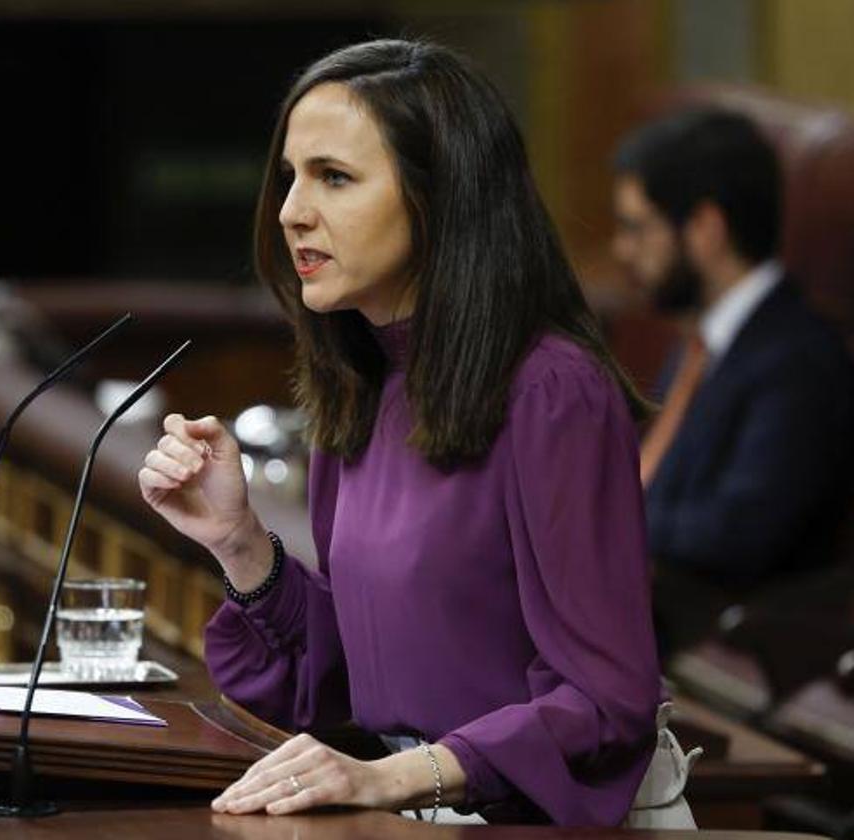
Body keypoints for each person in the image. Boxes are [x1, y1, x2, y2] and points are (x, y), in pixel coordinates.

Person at [139, 40, 675, 827]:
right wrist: (239, 542)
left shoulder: (552, 391)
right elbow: (360, 677)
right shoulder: (363, 381)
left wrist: (392, 780)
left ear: (440, 197)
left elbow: (606, 698)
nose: (291, 210)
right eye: (289, 176)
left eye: (334, 177)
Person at [612, 109, 854, 616]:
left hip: (721, 630)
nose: (623, 249)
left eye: (639, 228)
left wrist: (602, 520)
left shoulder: (798, 360)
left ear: (705, 228)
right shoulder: (703, 337)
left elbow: (737, 533)